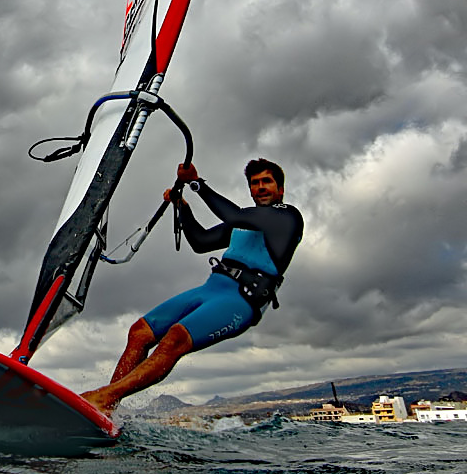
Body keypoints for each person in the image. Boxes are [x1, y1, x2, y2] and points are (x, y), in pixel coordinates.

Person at [80, 158, 303, 413]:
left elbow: (234, 214)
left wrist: (196, 183)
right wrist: (182, 207)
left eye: (267, 182)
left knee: (175, 338)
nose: (261, 187)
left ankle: (103, 397)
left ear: (280, 189)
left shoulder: (288, 217)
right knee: (139, 332)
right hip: (211, 289)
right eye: (255, 183)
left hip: (241, 300)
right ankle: (107, 406)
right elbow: (201, 241)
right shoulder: (242, 226)